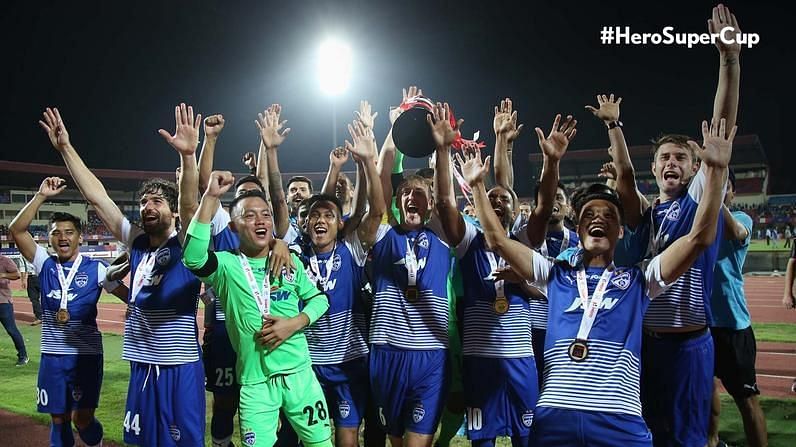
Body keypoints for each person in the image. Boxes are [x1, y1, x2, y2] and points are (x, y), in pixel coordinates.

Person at [461, 115, 734, 446]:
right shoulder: (555, 274)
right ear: (579, 230)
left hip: (619, 422)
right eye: (589, 215)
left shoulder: (640, 279)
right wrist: (476, 186)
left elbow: (699, 239)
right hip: (554, 420)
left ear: (620, 232)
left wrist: (717, 172)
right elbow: (498, 241)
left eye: (609, 216)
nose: (598, 220)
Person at [41, 104, 206, 445]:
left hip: (179, 368)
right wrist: (65, 148)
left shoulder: (188, 243)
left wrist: (189, 157)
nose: (147, 206)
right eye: (144, 201)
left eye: (157, 201)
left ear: (172, 211)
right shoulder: (139, 243)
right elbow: (97, 196)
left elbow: (191, 207)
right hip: (141, 364)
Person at [184, 172, 332, 447]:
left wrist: (295, 322)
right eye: (249, 216)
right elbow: (192, 258)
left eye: (265, 215)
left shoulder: (290, 261)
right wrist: (210, 197)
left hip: (300, 377)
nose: (260, 220)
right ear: (233, 227)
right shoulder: (227, 266)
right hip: (255, 384)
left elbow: (320, 300)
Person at [433, 102, 540, 447]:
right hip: (479, 356)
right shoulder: (470, 239)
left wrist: (501, 141)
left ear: (516, 207)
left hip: (521, 356)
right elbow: (445, 205)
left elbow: (505, 183)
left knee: (528, 436)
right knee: (484, 439)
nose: (497, 201)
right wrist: (442, 149)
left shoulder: (522, 241)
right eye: (489, 197)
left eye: (504, 199)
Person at [9, 177, 128, 447]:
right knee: (58, 419)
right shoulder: (45, 264)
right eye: (56, 232)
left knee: (82, 419)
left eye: (69, 232)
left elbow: (130, 297)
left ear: (80, 237)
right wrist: (40, 195)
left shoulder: (96, 269)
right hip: (53, 357)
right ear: (49, 238)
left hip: (85, 355)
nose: (62, 237)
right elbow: (17, 230)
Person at [300, 117, 385, 447]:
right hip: (308, 362)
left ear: (341, 224)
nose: (321, 220)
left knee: (347, 434)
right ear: (306, 224)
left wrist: (365, 162)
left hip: (350, 360)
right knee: (313, 436)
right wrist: (333, 168)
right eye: (315, 217)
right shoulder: (294, 253)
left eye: (329, 216)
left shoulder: (351, 248)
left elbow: (374, 210)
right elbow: (317, 207)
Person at [707, 170, 767, 447]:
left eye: (724, 187)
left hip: (732, 326)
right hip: (700, 325)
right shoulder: (696, 223)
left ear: (731, 193)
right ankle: (713, 440)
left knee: (747, 400)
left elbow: (735, 232)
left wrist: (713, 190)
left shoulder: (741, 218)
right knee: (705, 392)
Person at [0, 253, 27, 366]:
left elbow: (16, 274)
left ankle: (23, 355)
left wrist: (2, 275)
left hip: (3, 301)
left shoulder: (5, 260)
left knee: (11, 329)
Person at [17, 254, 42, 325]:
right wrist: (23, 281)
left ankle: (44, 317)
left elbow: (23, 268)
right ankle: (40, 317)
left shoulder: (41, 251)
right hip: (34, 277)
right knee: (34, 298)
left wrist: (23, 281)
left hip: (39, 276)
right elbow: (23, 268)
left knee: (43, 298)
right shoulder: (22, 255)